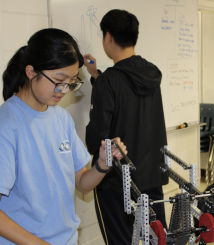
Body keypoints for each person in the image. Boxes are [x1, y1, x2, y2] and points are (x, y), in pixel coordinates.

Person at [0, 28, 127, 245]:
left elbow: (83, 184)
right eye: (59, 80)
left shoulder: (61, 118)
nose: (64, 90)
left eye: (71, 82)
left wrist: (103, 163)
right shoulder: (4, 126)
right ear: (31, 72)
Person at [83, 10, 169, 244]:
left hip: (116, 184)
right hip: (152, 176)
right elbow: (129, 100)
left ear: (108, 37)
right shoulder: (151, 74)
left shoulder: (109, 81)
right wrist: (96, 76)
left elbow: (96, 142)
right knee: (157, 240)